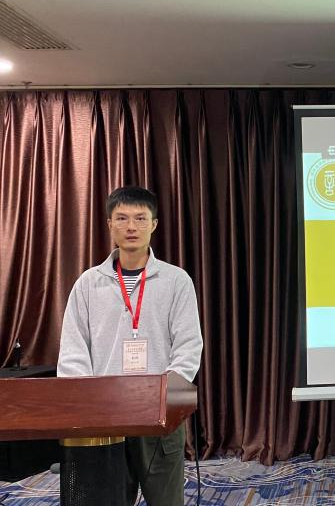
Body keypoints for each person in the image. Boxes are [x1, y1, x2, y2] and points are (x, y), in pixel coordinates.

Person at [57, 186, 203, 506]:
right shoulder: (88, 284)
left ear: (154, 224)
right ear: (110, 225)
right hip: (104, 418)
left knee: (166, 501)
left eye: (140, 218)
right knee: (105, 500)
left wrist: (164, 397)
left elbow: (189, 346)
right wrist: (89, 403)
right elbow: (72, 350)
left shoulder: (176, 281)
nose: (131, 226)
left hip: (159, 417)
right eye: (122, 218)